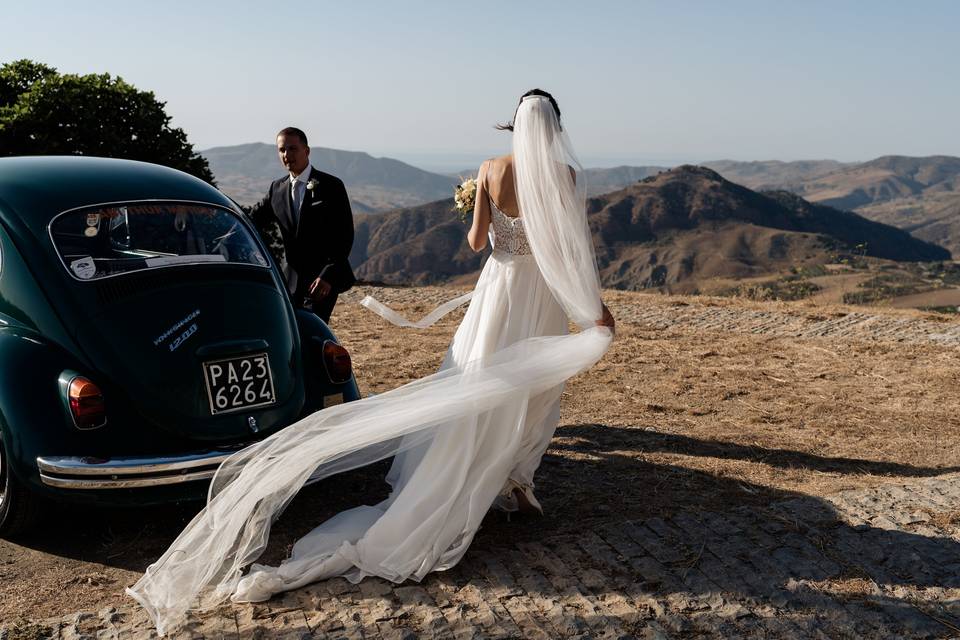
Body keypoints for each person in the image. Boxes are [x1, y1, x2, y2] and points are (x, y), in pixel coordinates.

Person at [128, 90, 615, 636]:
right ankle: (516, 478)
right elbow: (571, 250)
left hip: (499, 290)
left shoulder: (490, 169)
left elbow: (478, 242)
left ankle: (491, 475)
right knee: (535, 386)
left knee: (477, 380)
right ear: (554, 126)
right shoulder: (568, 177)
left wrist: (484, 214)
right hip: (542, 295)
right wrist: (595, 309)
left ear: (514, 126)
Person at [247, 127, 355, 323]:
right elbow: (251, 218)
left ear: (306, 151)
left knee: (315, 329)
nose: (287, 155)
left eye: (292, 148)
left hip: (322, 281)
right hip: (290, 281)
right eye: (282, 150)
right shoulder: (276, 189)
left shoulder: (331, 186)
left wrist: (328, 275)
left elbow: (345, 235)